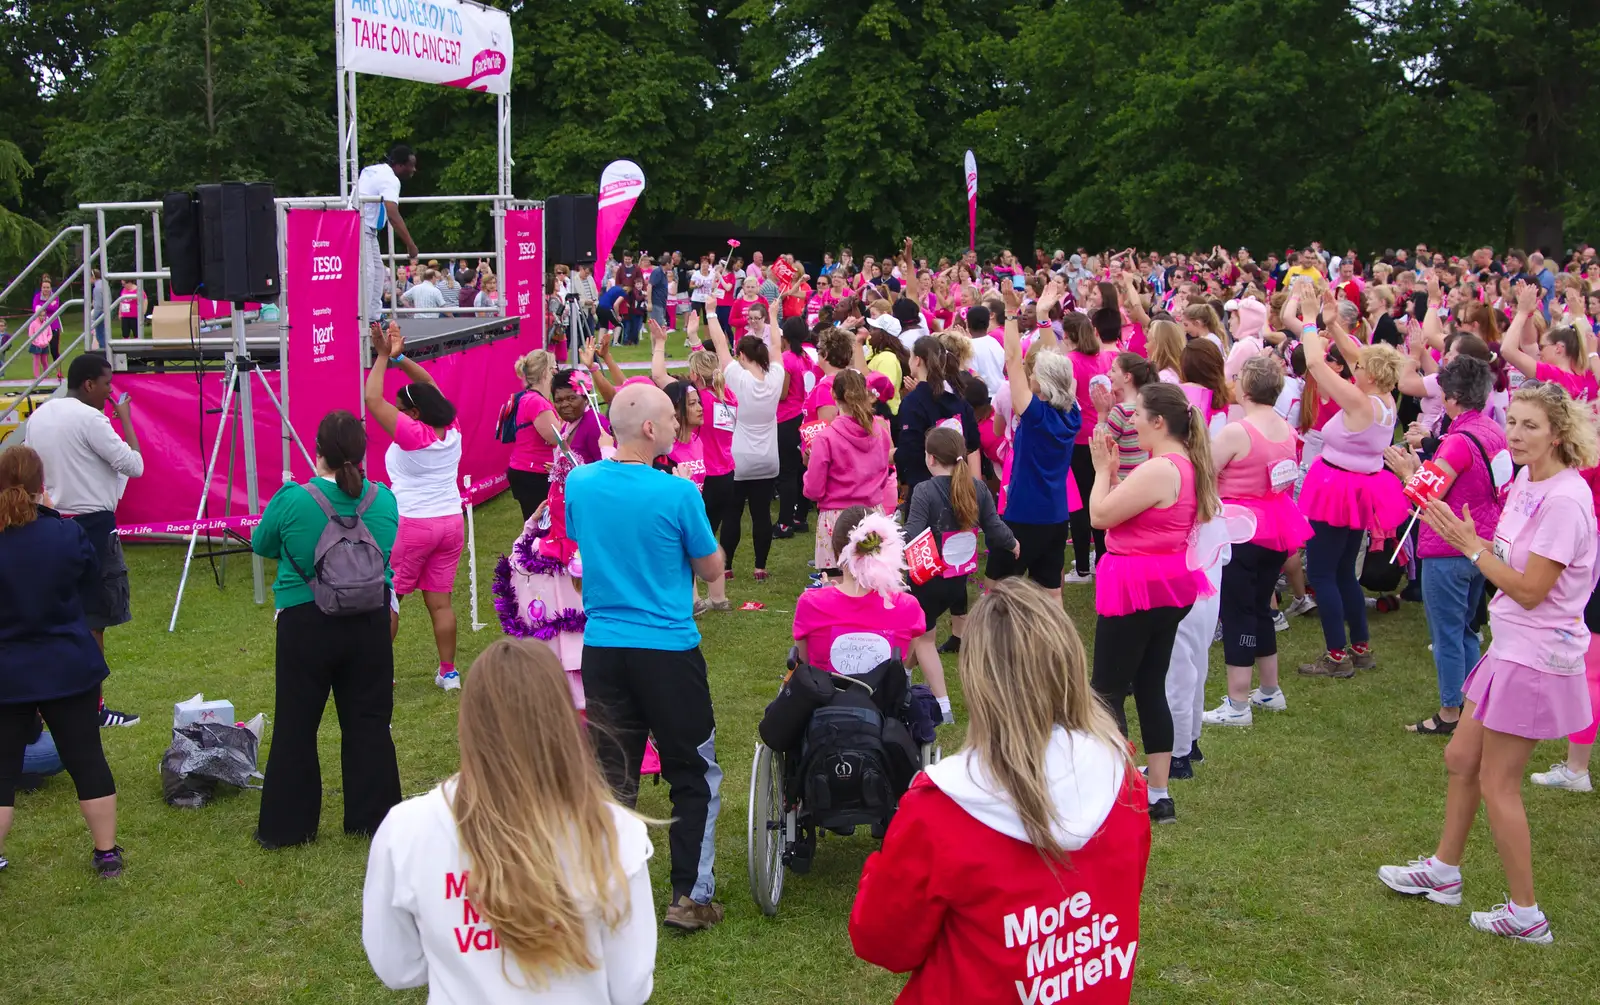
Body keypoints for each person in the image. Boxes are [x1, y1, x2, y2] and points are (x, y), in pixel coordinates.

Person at [850, 578, 1150, 1003]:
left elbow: (882, 942)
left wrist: (878, 871)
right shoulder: (1122, 777)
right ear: (1070, 664)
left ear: (979, 682)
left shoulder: (941, 809)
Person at [1378, 382, 1598, 944]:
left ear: (1559, 433)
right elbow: (1504, 556)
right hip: (1510, 644)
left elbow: (1530, 590)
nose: (1517, 435)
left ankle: (1527, 914)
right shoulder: (1529, 481)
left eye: (1530, 426)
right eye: (1514, 422)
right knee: (1460, 755)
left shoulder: (1567, 500)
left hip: (1535, 652)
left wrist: (1470, 546)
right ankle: (1445, 872)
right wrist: (1455, 524)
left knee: (1499, 783)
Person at [362, 640, 656, 1003]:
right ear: (563, 718)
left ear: (468, 720)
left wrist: (465, 955)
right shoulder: (612, 829)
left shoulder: (407, 829)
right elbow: (631, 986)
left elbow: (398, 967)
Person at [564, 382, 726, 930]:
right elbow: (709, 569)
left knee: (613, 769)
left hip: (605, 647)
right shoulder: (679, 494)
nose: (681, 424)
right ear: (651, 430)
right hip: (667, 649)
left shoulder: (580, 483)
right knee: (691, 769)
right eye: (673, 418)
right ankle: (690, 895)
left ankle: (604, 888)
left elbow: (577, 537)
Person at [250, 411, 402, 849]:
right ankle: (374, 820)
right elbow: (388, 550)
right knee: (370, 722)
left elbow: (262, 544)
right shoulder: (384, 501)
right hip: (369, 622)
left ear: (318, 452)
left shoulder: (293, 498)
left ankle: (287, 828)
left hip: (305, 620)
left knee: (297, 725)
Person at [1088, 382, 1217, 824]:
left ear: (1159, 422)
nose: (1132, 421)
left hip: (1136, 585)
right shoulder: (1185, 463)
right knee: (1149, 684)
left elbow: (1100, 515)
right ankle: (1158, 794)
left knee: (1106, 689)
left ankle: (1115, 790)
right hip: (1168, 583)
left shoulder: (1163, 466)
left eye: (1138, 414)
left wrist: (1102, 469)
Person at [0, 446, 122, 877]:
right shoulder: (66, 535)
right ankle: (106, 853)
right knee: (86, 758)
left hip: (9, 671)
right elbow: (91, 590)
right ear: (40, 486)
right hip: (67, 665)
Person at [1382, 356, 1507, 735]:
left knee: (1448, 634)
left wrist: (1406, 470)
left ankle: (1450, 712)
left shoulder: (1457, 442)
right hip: (1478, 543)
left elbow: (1424, 495)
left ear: (1452, 398)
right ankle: (1472, 703)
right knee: (1467, 628)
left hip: (1448, 546)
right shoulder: (1493, 430)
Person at [22, 353, 142, 728]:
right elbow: (134, 465)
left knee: (52, 617)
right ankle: (94, 708)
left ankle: (44, 707)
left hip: (49, 525)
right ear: (89, 384)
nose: (110, 393)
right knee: (94, 620)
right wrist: (123, 418)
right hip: (92, 527)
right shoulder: (92, 418)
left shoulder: (40, 415)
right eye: (107, 384)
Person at [1293, 295, 1409, 677]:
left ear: (1370, 375)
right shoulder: (1386, 399)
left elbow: (1313, 363)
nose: (1352, 368)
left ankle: (1336, 656)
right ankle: (1359, 646)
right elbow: (1356, 352)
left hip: (1336, 489)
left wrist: (1310, 322)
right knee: (1344, 571)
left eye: (1359, 368)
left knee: (1325, 572)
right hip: (1360, 488)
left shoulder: (1360, 401)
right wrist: (1334, 324)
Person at [1203, 355, 1313, 728]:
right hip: (1275, 526)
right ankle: (1269, 690)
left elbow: (1206, 471)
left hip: (1241, 529)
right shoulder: (1283, 427)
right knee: (1260, 607)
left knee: (1238, 611)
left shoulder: (1239, 431)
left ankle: (1237, 703)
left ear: (1246, 387)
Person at [365, 323, 464, 691]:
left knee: (391, 599)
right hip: (451, 524)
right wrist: (401, 358)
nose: (399, 413)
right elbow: (429, 387)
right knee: (440, 603)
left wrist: (380, 358)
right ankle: (449, 672)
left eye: (403, 409)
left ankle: (378, 672)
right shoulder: (451, 425)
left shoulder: (413, 433)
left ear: (416, 414)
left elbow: (373, 400)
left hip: (412, 525)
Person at [904, 426, 1017, 683]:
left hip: (927, 579)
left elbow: (911, 534)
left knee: (923, 637)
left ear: (930, 458)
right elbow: (995, 527)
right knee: (922, 635)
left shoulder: (924, 490)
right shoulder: (978, 488)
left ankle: (941, 703)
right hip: (957, 582)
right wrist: (1013, 543)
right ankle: (906, 671)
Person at [986, 294, 1080, 597]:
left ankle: (995, 643)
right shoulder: (1071, 414)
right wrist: (1041, 317)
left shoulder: (1036, 415)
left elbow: (1013, 359)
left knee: (997, 589)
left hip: (1022, 516)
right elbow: (1060, 363)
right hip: (1055, 515)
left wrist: (1011, 313)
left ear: (1043, 381)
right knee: (1052, 592)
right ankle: (1059, 645)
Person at [792, 507, 939, 696]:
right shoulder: (908, 607)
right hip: (882, 714)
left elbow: (804, 663)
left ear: (837, 552)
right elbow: (899, 666)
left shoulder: (811, 603)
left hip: (822, 712)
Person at [707, 307, 783, 580]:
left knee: (733, 514)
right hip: (767, 458)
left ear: (741, 356)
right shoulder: (775, 378)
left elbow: (718, 344)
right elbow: (776, 345)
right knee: (761, 514)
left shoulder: (737, 377)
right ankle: (760, 567)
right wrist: (773, 316)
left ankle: (727, 568)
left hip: (738, 458)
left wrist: (711, 312)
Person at [802, 369, 894, 574]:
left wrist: (809, 469)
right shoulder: (880, 431)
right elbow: (883, 476)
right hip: (872, 514)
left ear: (834, 395)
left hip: (836, 519)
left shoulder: (826, 438)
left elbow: (813, 489)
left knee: (837, 588)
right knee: (872, 582)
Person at [358, 145, 420, 319]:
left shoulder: (373, 170)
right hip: (361, 227)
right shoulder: (391, 180)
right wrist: (410, 244)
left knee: (378, 272)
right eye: (411, 165)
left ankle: (373, 317)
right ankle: (363, 320)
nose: (413, 170)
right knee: (368, 274)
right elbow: (393, 214)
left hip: (366, 227)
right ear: (400, 166)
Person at [506, 350, 561, 521]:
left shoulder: (531, 398)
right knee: (541, 528)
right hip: (534, 473)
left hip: (529, 470)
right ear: (545, 372)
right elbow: (556, 438)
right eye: (554, 368)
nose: (556, 373)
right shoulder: (536, 402)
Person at [773, 318, 813, 539]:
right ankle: (800, 517)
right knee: (801, 469)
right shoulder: (806, 357)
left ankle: (785, 523)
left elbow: (782, 393)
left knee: (787, 473)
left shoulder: (787, 359)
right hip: (804, 417)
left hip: (787, 418)